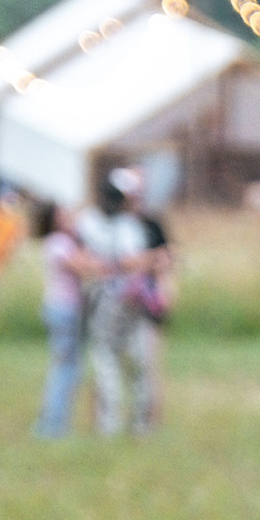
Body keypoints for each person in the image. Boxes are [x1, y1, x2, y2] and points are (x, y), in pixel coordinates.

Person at [81, 167, 172, 437]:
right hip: (122, 302)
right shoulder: (126, 226)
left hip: (107, 301)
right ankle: (128, 423)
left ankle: (118, 423)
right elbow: (135, 261)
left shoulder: (91, 222)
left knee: (115, 361)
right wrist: (150, 260)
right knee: (129, 362)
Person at [31, 200, 94, 437]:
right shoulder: (57, 243)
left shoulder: (65, 242)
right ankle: (52, 427)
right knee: (65, 370)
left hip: (65, 309)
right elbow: (83, 267)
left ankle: (55, 423)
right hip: (64, 310)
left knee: (66, 368)